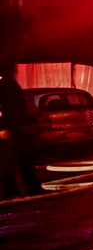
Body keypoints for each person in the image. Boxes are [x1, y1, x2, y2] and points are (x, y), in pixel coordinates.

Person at [0, 63, 44, 198]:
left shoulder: (10, 82)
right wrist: (2, 127)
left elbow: (17, 106)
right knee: (9, 162)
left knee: (26, 156)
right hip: (9, 128)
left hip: (17, 127)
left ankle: (33, 187)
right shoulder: (3, 83)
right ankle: (11, 192)